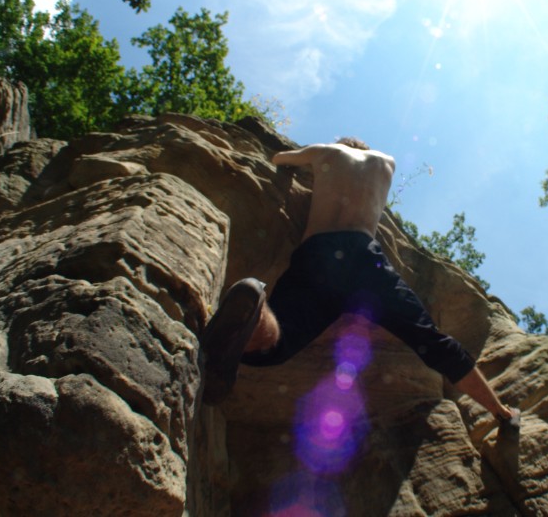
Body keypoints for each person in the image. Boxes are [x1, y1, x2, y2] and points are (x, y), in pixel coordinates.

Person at [201, 137, 518, 426]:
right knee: (433, 343)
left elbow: (279, 159)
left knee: (280, 340)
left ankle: (256, 309)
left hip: (318, 254)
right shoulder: (386, 161)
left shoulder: (325, 152)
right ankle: (502, 413)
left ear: (341, 143)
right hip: (366, 261)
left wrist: (306, 164)